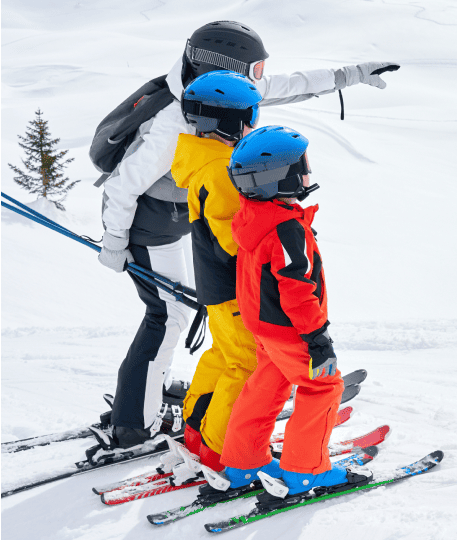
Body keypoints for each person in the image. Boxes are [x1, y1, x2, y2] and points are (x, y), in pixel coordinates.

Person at [96, 19, 400, 448]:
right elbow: (122, 185)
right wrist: (114, 244)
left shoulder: (213, 99)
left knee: (190, 314)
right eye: (254, 70)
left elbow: (287, 85)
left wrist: (350, 75)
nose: (260, 81)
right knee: (167, 315)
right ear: (230, 68)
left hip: (191, 216)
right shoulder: (174, 120)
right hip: (150, 222)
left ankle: (179, 407)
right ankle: (133, 423)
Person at [214, 126, 372, 501]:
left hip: (266, 328)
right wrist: (317, 339)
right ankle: (305, 472)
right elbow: (297, 290)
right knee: (323, 387)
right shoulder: (286, 229)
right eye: (298, 168)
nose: (305, 174)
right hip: (291, 331)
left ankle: (242, 463)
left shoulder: (256, 216)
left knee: (267, 386)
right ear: (274, 179)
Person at [170, 70, 262, 472]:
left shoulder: (203, 161)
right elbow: (232, 238)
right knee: (246, 364)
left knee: (223, 356)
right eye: (249, 115)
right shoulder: (223, 169)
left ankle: (196, 430)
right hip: (234, 284)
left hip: (216, 286)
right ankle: (221, 450)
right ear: (229, 120)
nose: (252, 123)